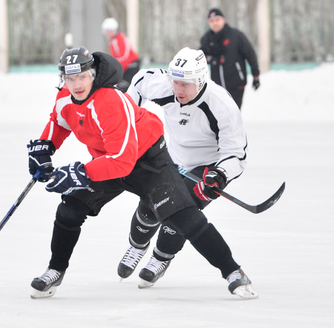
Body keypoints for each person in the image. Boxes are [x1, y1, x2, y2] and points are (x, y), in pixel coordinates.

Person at [27, 46, 256, 299]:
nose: (76, 84)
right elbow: (59, 121)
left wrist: (78, 173)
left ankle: (233, 271)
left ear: (93, 75)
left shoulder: (110, 102)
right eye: (70, 78)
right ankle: (55, 270)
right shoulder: (65, 97)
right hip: (109, 159)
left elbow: (122, 162)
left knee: (184, 218)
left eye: (82, 77)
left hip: (148, 161)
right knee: (69, 209)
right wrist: (45, 147)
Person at [118, 47, 257, 298]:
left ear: (202, 79)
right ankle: (137, 246)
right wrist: (130, 116)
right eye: (176, 82)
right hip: (172, 158)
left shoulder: (222, 105)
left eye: (187, 84)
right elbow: (139, 81)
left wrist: (220, 174)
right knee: (149, 207)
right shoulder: (166, 86)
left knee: (180, 214)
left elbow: (236, 154)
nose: (179, 90)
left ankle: (161, 257)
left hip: (208, 168)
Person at [199, 8, 260, 109]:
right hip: (217, 86)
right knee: (220, 115)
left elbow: (250, 54)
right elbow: (199, 57)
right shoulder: (207, 38)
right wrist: (212, 60)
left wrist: (256, 75)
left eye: (217, 20)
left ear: (223, 20)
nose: (215, 23)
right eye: (211, 21)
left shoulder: (236, 35)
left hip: (236, 84)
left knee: (234, 112)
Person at [101, 17, 140, 92]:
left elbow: (124, 58)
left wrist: (116, 71)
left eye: (107, 31)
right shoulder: (114, 40)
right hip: (127, 67)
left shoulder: (118, 39)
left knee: (125, 88)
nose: (106, 33)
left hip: (130, 67)